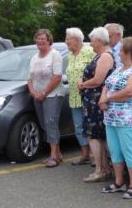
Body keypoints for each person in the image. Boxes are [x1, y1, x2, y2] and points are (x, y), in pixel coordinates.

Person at [99, 37, 132, 199]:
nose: (118, 53)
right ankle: (119, 182)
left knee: (129, 151)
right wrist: (103, 97)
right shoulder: (119, 68)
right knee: (115, 151)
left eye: (120, 51)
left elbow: (130, 92)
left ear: (127, 53)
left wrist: (108, 98)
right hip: (111, 118)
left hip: (128, 118)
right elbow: (107, 84)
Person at [78, 27, 115, 182]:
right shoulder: (99, 55)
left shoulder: (105, 56)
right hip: (92, 100)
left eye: (92, 40)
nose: (90, 43)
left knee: (94, 135)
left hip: (97, 101)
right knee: (98, 136)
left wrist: (83, 84)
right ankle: (104, 169)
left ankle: (100, 170)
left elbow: (99, 80)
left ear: (99, 41)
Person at [28, 29, 65, 168]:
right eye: (38, 38)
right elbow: (30, 78)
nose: (40, 41)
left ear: (49, 40)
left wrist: (43, 93)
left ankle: (53, 156)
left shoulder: (55, 55)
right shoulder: (34, 58)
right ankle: (58, 153)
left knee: (51, 122)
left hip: (53, 94)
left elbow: (57, 77)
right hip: (38, 95)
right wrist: (33, 92)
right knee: (44, 124)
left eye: (43, 38)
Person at [64, 28, 94, 165]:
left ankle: (97, 157)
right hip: (74, 96)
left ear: (76, 39)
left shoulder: (89, 52)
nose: (66, 41)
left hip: (89, 96)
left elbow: (96, 72)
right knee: (78, 127)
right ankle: (85, 155)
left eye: (67, 38)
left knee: (91, 127)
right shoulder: (70, 55)